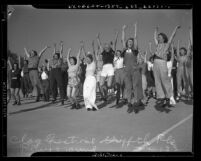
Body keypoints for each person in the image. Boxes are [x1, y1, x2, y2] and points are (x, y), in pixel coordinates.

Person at [153, 26, 180, 106]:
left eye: (160, 37)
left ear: (164, 38)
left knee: (165, 79)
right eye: (158, 37)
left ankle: (170, 96)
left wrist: (175, 28)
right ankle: (161, 97)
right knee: (157, 80)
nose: (158, 38)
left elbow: (172, 36)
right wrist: (155, 31)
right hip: (155, 62)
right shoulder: (157, 44)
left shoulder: (167, 44)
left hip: (162, 62)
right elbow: (154, 37)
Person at [121, 23, 144, 113]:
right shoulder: (124, 50)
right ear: (127, 43)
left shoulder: (135, 50)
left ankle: (135, 102)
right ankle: (129, 102)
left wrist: (135, 28)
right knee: (128, 87)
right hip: (127, 71)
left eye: (131, 42)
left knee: (136, 86)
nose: (130, 43)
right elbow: (122, 39)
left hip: (135, 70)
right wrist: (123, 30)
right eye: (128, 42)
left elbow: (136, 38)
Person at [96, 32, 118, 102]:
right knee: (101, 84)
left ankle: (114, 85)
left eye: (107, 46)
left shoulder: (112, 52)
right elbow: (99, 45)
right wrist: (97, 38)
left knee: (109, 85)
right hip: (104, 68)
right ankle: (105, 94)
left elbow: (115, 43)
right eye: (105, 46)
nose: (106, 47)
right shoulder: (103, 52)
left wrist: (116, 35)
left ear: (109, 47)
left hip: (110, 67)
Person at [81, 41, 99, 111]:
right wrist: (82, 47)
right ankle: (88, 106)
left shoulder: (94, 63)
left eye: (88, 59)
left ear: (91, 59)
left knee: (92, 92)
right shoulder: (87, 64)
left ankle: (93, 105)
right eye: (86, 59)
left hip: (92, 79)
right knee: (85, 93)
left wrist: (93, 46)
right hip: (87, 79)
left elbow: (94, 54)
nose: (87, 59)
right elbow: (85, 55)